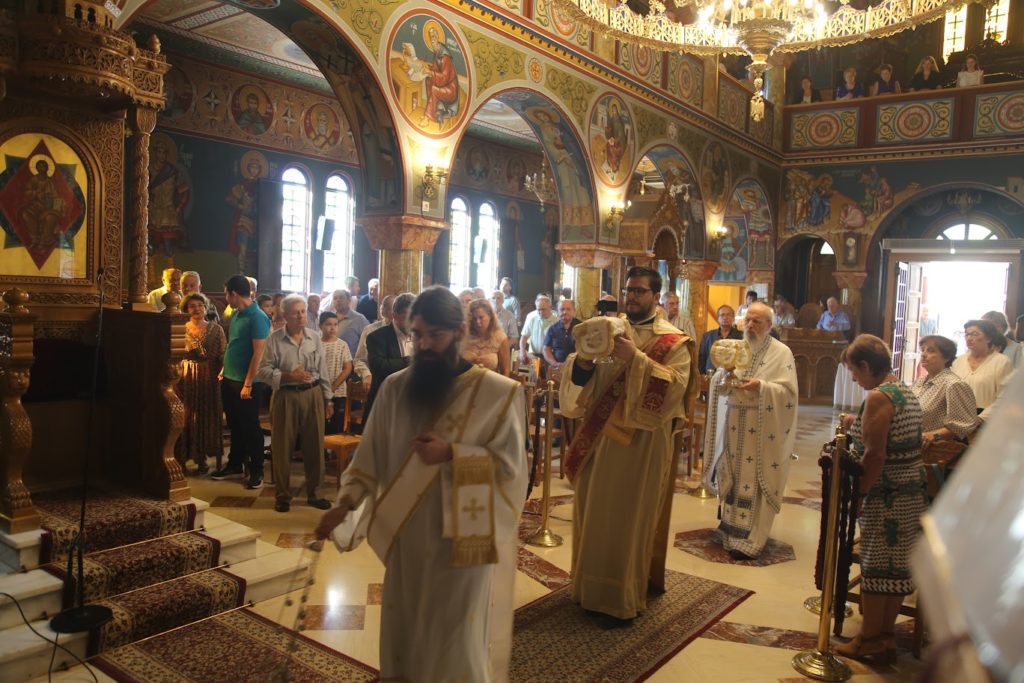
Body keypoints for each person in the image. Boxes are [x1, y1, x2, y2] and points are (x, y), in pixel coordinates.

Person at [314, 286, 526, 682]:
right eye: (417, 334)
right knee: (408, 626)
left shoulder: (496, 394)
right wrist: (344, 504)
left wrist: (453, 454)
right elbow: (370, 455)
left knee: (454, 634)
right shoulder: (395, 388)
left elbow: (512, 470)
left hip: (464, 539)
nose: (424, 345)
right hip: (409, 536)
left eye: (435, 335)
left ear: (459, 332)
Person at [557, 266, 697, 619]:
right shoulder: (605, 329)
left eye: (639, 291)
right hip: (600, 437)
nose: (631, 296)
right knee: (593, 512)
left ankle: (621, 597)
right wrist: (584, 361)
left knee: (630, 518)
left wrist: (636, 358)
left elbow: (676, 388)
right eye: (628, 290)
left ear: (656, 296)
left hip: (643, 443)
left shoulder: (674, 341)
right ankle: (588, 589)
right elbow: (581, 376)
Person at [836, 335, 926, 663]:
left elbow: (874, 456)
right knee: (896, 567)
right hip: (911, 491)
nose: (853, 378)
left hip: (887, 494)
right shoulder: (904, 390)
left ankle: (869, 638)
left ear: (865, 365)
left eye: (853, 371)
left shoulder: (878, 397)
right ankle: (886, 636)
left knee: (876, 564)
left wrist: (859, 493)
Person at [701, 303, 799, 558]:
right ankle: (730, 529)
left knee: (755, 477)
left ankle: (753, 536)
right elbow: (720, 383)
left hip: (762, 427)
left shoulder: (782, 353)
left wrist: (761, 387)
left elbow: (788, 394)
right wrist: (726, 374)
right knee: (733, 473)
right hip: (736, 424)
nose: (751, 326)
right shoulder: (737, 348)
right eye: (748, 321)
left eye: (757, 321)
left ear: (769, 325)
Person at [257, 294, 334, 512]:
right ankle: (283, 495)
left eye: (302, 311)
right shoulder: (274, 339)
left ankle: (316, 493)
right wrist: (289, 376)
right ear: (285, 315)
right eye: (295, 313)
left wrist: (328, 398)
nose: (301, 316)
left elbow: (323, 370)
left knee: (315, 446)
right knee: (282, 447)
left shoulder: (314, 337)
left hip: (313, 394)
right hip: (285, 396)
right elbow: (263, 371)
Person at [212, 275, 269, 487]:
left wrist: (248, 383)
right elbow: (234, 344)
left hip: (247, 382)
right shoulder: (236, 314)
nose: (226, 298)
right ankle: (235, 463)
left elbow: (258, 354)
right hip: (230, 377)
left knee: (250, 426)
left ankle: (257, 470)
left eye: (226, 294)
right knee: (234, 424)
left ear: (234, 294)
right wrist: (225, 368)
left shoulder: (258, 317)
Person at [176, 293, 226, 474]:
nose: (196, 309)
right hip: (186, 378)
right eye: (192, 306)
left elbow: (223, 354)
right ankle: (182, 457)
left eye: (200, 305)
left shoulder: (216, 329)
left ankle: (202, 457)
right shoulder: (180, 328)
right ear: (186, 309)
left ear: (206, 307)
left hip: (209, 377)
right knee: (186, 417)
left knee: (206, 416)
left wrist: (223, 370)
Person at [911, 335, 979, 449]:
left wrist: (933, 435)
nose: (923, 354)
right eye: (922, 350)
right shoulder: (920, 380)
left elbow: (964, 423)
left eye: (931, 350)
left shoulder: (953, 384)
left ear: (946, 357)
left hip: (936, 450)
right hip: (914, 445)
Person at [364, 293, 416, 420]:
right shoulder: (377, 337)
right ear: (394, 315)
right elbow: (378, 366)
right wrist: (410, 361)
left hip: (413, 402)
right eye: (407, 318)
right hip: (386, 401)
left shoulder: (421, 335)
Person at [951, 319, 1013, 411]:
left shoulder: (1001, 361)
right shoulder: (958, 361)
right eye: (967, 334)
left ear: (989, 338)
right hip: (959, 415)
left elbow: (1005, 397)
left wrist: (981, 417)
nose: (969, 338)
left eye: (975, 334)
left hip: (988, 416)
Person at [320, 311, 353, 435]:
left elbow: (347, 367)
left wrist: (333, 387)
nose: (332, 328)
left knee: (336, 426)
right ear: (320, 325)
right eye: (329, 324)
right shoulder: (316, 344)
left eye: (335, 324)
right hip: (319, 391)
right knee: (321, 426)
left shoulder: (342, 345)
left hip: (338, 392)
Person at [461, 299, 511, 376]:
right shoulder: (465, 336)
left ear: (490, 316)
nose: (477, 322)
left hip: (491, 382)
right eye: (474, 319)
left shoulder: (500, 338)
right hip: (466, 381)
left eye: (481, 317)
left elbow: (505, 371)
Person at [354, 294, 395, 384]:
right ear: (383, 312)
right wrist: (366, 374)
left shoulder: (408, 331)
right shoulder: (370, 330)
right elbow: (360, 360)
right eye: (391, 309)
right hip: (376, 380)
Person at [698, 305, 743, 374]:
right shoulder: (707, 336)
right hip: (711, 375)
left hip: (733, 375)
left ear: (733, 318)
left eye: (728, 315)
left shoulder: (741, 336)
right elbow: (702, 358)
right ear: (718, 318)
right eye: (722, 315)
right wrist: (702, 375)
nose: (725, 317)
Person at [542, 299, 580, 375]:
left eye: (568, 309)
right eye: (562, 309)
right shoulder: (553, 329)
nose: (565, 312)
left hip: (577, 369)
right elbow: (546, 349)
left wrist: (569, 364)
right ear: (557, 312)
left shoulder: (581, 327)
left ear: (574, 311)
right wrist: (555, 364)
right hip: (558, 370)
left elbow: (585, 350)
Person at [329, 289, 369, 357]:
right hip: (331, 359)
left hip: (350, 360)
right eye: (335, 298)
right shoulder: (329, 318)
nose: (338, 300)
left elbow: (368, 340)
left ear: (348, 300)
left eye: (341, 297)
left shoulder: (359, 319)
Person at [519, 294, 557, 366]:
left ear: (550, 307)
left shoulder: (557, 319)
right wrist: (522, 351)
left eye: (543, 309)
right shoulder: (531, 317)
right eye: (538, 309)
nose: (541, 312)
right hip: (534, 355)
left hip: (551, 356)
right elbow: (524, 337)